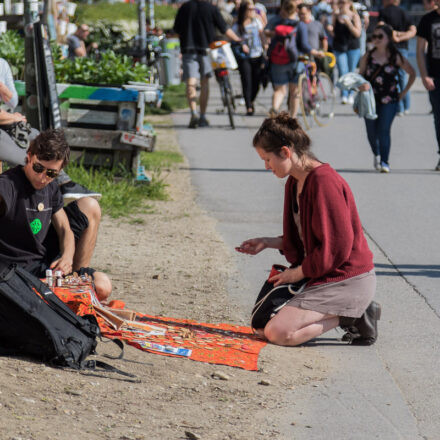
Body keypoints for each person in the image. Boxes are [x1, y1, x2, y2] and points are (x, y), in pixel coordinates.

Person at [236, 113, 380, 346]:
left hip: (346, 277)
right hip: (322, 272)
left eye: (267, 159)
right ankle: (349, 310)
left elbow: (336, 249)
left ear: (285, 152)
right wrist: (267, 242)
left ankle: (352, 313)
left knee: (278, 334)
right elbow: (307, 240)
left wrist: (297, 273)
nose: (266, 167)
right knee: (262, 328)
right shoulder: (294, 181)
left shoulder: (324, 182)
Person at [0, 129, 111, 302]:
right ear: (29, 157)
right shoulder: (8, 184)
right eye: (38, 168)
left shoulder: (51, 188)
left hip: (41, 264)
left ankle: (74, 286)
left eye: (51, 173)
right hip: (13, 271)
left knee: (103, 286)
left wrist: (67, 257)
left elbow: (65, 229)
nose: (42, 177)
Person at [0, 58, 101, 200]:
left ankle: (62, 182)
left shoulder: (2, 64)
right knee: (27, 154)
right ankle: (46, 188)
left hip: (5, 119)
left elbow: (12, 101)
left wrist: (2, 89)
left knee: (35, 136)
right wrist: (11, 118)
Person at [173, 0, 243, 129]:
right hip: (207, 50)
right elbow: (224, 28)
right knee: (205, 83)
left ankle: (194, 113)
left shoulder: (184, 8)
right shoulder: (211, 8)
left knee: (191, 83)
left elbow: (177, 30)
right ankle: (203, 116)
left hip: (188, 49)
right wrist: (238, 39)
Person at [359, 24, 414, 173]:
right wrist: (360, 86)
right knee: (371, 132)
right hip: (369, 100)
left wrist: (403, 93)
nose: (376, 39)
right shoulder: (368, 56)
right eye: (374, 36)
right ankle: (376, 154)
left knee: (384, 130)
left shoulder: (396, 56)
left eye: (380, 36)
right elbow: (359, 77)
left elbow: (412, 73)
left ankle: (385, 161)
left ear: (389, 38)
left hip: (390, 100)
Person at [265, 0, 324, 118]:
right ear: (296, 10)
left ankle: (275, 109)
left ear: (283, 9)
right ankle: (292, 118)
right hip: (295, 61)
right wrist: (316, 52)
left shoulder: (277, 22)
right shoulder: (300, 24)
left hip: (278, 60)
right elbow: (304, 45)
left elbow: (266, 33)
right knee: (295, 92)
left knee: (279, 90)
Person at [378, 0, 416, 116]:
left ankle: (399, 107)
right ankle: (406, 106)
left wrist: (395, 35)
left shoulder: (384, 12)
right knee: (402, 76)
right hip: (403, 48)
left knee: (394, 77)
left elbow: (381, 27)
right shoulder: (404, 12)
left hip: (390, 49)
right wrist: (401, 36)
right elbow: (413, 30)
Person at [417, 0, 440, 171]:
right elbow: (420, 50)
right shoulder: (427, 20)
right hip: (435, 76)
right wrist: (424, 75)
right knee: (439, 119)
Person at [232, 0, 266, 115]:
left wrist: (265, 45)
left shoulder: (256, 21)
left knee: (256, 82)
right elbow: (233, 38)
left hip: (257, 54)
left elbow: (262, 34)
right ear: (244, 11)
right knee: (246, 80)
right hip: (244, 56)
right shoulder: (237, 25)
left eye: (254, 9)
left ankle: (250, 100)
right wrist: (241, 44)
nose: (253, 11)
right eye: (250, 9)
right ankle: (248, 106)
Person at [331, 0, 362, 104]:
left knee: (351, 71)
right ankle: (344, 95)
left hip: (353, 47)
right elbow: (333, 32)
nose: (342, 4)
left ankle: (351, 94)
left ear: (349, 3)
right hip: (339, 47)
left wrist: (349, 24)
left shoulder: (354, 16)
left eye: (344, 2)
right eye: (340, 2)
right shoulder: (335, 15)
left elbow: (358, 33)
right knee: (342, 71)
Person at [298, 3, 331, 76]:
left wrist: (324, 52)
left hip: (316, 55)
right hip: (301, 55)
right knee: (301, 74)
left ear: (309, 12)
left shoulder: (317, 24)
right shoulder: (297, 25)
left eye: (303, 14)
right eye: (299, 14)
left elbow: (324, 39)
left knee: (315, 75)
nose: (301, 16)